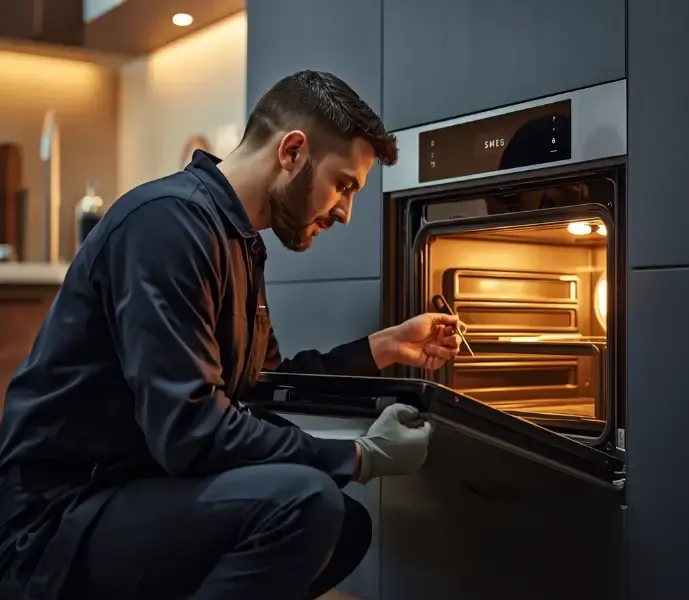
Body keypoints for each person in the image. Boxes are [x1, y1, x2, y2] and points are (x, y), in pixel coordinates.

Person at [0, 70, 464, 600]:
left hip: (132, 488)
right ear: (292, 151)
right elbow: (191, 431)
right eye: (343, 184)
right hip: (57, 520)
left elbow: (264, 388)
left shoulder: (236, 241)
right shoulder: (169, 225)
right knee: (307, 504)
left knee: (345, 528)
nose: (344, 211)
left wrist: (382, 349)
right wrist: (358, 457)